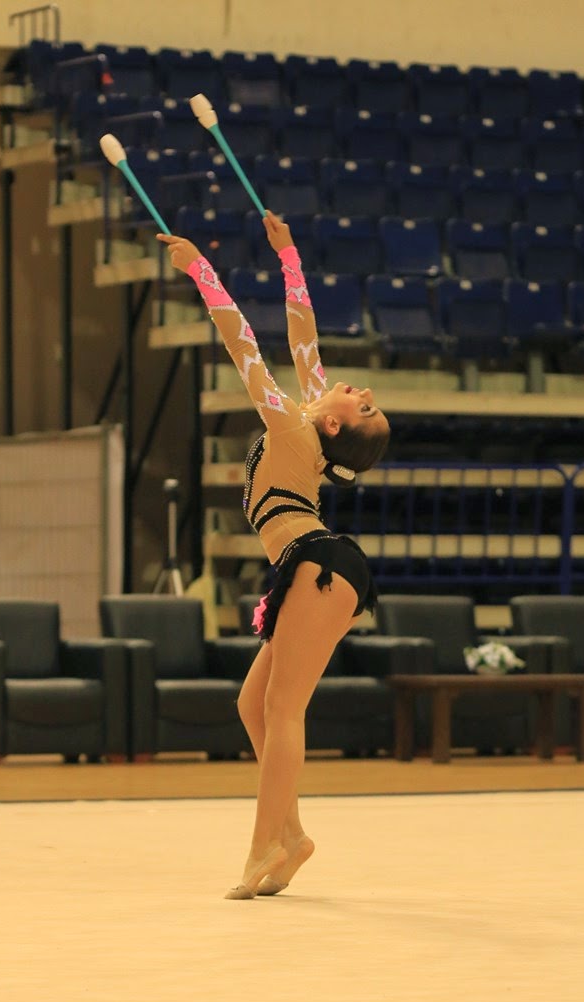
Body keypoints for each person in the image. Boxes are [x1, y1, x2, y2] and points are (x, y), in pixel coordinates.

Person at [157, 212, 390, 899]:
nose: (360, 390)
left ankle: (263, 845)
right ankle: (290, 833)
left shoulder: (292, 425)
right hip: (312, 566)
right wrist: (288, 258)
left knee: (284, 709)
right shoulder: (311, 421)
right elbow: (302, 336)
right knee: (253, 705)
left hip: (321, 565)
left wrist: (201, 270)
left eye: (365, 405)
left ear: (335, 423)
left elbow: (244, 345)